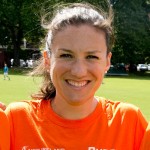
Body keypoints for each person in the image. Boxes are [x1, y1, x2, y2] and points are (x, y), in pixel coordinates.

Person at [5, 2, 148, 150]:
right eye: (66, 55)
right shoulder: (16, 120)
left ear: (107, 61)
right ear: (48, 60)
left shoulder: (129, 122)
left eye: (92, 56)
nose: (79, 71)